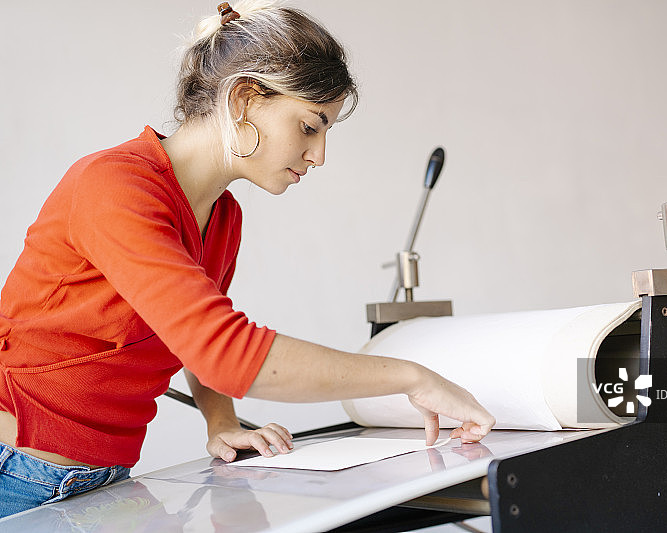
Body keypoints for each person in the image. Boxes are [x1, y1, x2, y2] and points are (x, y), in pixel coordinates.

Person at [0, 0, 495, 518]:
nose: (319, 155)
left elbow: (194, 333)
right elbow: (226, 352)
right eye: (309, 126)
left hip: (103, 478)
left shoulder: (223, 216)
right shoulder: (114, 186)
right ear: (244, 98)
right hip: (18, 470)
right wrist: (414, 377)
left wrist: (221, 421)